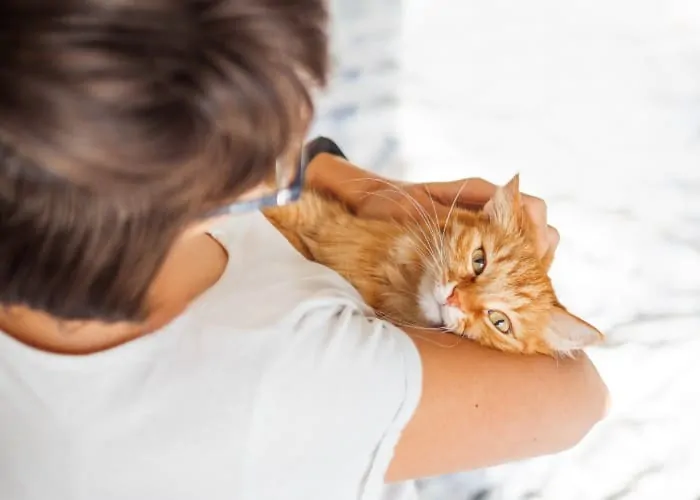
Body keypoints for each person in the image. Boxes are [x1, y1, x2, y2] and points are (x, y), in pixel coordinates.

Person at [0, 1, 609, 499]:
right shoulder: (294, 374)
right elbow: (577, 398)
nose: (299, 151)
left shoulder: (58, 196)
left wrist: (347, 186)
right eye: (276, 151)